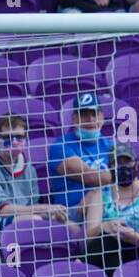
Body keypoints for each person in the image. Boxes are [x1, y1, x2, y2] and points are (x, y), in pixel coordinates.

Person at [0, 116, 69, 235]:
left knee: (69, 226)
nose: (15, 142)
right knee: (33, 221)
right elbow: (4, 210)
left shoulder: (28, 167)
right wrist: (45, 208)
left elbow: (33, 204)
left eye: (19, 137)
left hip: (23, 217)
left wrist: (51, 215)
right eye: (8, 137)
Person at [82, 141, 139, 275]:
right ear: (110, 167)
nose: (123, 167)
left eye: (127, 162)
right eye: (117, 163)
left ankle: (80, 263)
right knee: (109, 241)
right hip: (112, 252)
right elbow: (89, 236)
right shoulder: (100, 194)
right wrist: (105, 226)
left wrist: (137, 237)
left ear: (136, 165)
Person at [47, 92, 114, 221]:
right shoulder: (60, 146)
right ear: (74, 119)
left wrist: (95, 194)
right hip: (72, 211)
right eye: (84, 115)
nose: (91, 120)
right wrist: (119, 175)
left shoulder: (111, 145)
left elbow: (131, 179)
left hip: (106, 205)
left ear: (102, 117)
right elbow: (89, 177)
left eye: (94, 114)